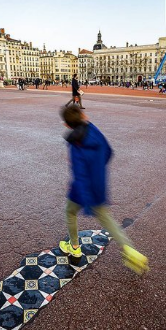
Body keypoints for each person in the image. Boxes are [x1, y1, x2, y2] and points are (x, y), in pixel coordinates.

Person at [59, 106, 149, 274]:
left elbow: (79, 174)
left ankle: (75, 247)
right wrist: (98, 169)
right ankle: (130, 249)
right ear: (83, 115)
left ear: (66, 125)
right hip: (99, 184)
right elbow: (108, 151)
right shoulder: (94, 130)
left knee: (70, 213)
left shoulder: (74, 144)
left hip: (82, 190)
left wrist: (85, 201)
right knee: (107, 220)